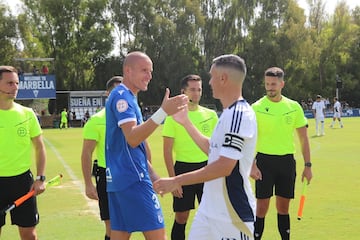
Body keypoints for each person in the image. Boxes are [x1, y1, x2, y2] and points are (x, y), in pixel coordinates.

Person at [154, 54, 257, 240]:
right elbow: (213, 149)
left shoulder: (239, 115)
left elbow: (224, 166)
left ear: (223, 78)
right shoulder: (227, 114)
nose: (209, 83)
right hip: (208, 212)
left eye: (211, 77)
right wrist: (186, 123)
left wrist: (177, 180)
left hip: (232, 215)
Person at [105, 51, 188, 240]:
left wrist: (153, 175)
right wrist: (162, 113)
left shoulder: (127, 96)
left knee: (119, 235)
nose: (149, 76)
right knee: (158, 236)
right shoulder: (122, 97)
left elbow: (134, 147)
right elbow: (133, 138)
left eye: (150, 71)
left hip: (121, 180)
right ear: (128, 70)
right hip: (132, 180)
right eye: (144, 70)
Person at [251, 67, 313, 240]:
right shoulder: (256, 108)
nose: (270, 87)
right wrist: (251, 164)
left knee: (283, 207)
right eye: (267, 84)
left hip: (286, 162)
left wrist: (308, 166)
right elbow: (248, 139)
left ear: (282, 84)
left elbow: (303, 139)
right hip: (263, 162)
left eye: (273, 84)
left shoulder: (293, 107)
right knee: (262, 207)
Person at [162, 74, 218, 240]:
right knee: (181, 217)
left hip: (206, 170)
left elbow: (216, 148)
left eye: (199, 89)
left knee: (210, 217)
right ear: (183, 92)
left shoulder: (211, 115)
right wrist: (173, 180)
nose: (196, 93)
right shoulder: (173, 117)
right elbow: (167, 151)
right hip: (182, 170)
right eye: (192, 89)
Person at [0, 65, 47, 240]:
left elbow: (40, 147)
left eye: (16, 83)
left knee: (29, 235)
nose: (14, 88)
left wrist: (40, 178)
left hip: (22, 182)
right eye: (9, 83)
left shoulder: (27, 114)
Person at [81, 76, 123, 240]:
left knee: (129, 226)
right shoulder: (97, 120)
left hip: (130, 175)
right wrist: (88, 183)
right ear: (107, 94)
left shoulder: (132, 116)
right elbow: (86, 153)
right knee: (112, 228)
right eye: (115, 91)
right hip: (107, 177)